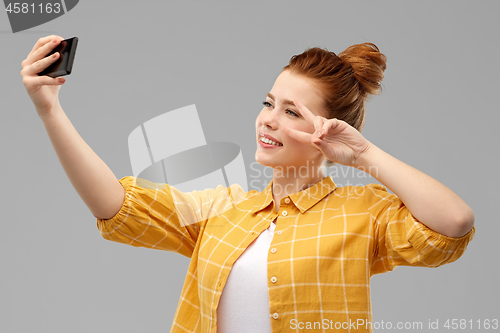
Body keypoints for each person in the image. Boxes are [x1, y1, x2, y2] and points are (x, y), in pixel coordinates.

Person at [21, 35, 475, 333]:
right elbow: (116, 206)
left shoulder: (361, 213)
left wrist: (363, 156)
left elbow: (453, 223)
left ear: (328, 132)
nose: (269, 120)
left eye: (292, 112)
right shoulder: (222, 210)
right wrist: (49, 108)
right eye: (269, 102)